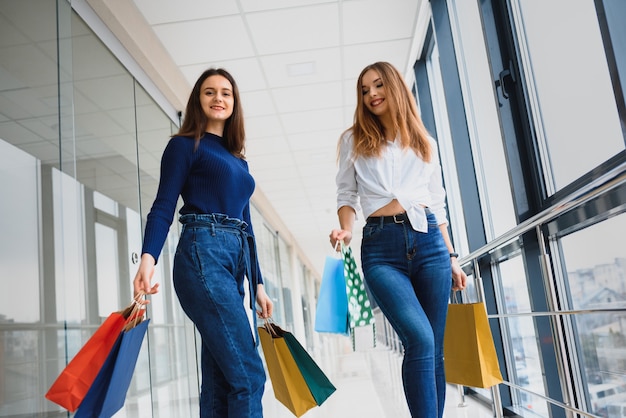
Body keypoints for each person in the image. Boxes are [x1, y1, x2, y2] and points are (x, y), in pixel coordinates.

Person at [329, 61, 467, 418]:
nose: (371, 94)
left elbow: (437, 203)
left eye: (377, 86)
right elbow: (347, 195)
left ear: (394, 88)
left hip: (429, 244)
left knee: (433, 348)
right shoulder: (353, 140)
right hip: (380, 248)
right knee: (419, 339)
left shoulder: (425, 142)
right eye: (364, 90)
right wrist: (345, 228)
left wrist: (451, 257)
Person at [133, 68, 273, 418]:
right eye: (209, 92)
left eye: (225, 93)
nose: (218, 98)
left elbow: (248, 225)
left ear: (234, 102)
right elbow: (164, 204)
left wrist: (258, 284)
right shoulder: (184, 146)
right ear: (198, 100)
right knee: (250, 375)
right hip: (202, 253)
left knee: (221, 380)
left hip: (234, 262)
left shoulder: (239, 160)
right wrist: (147, 259)